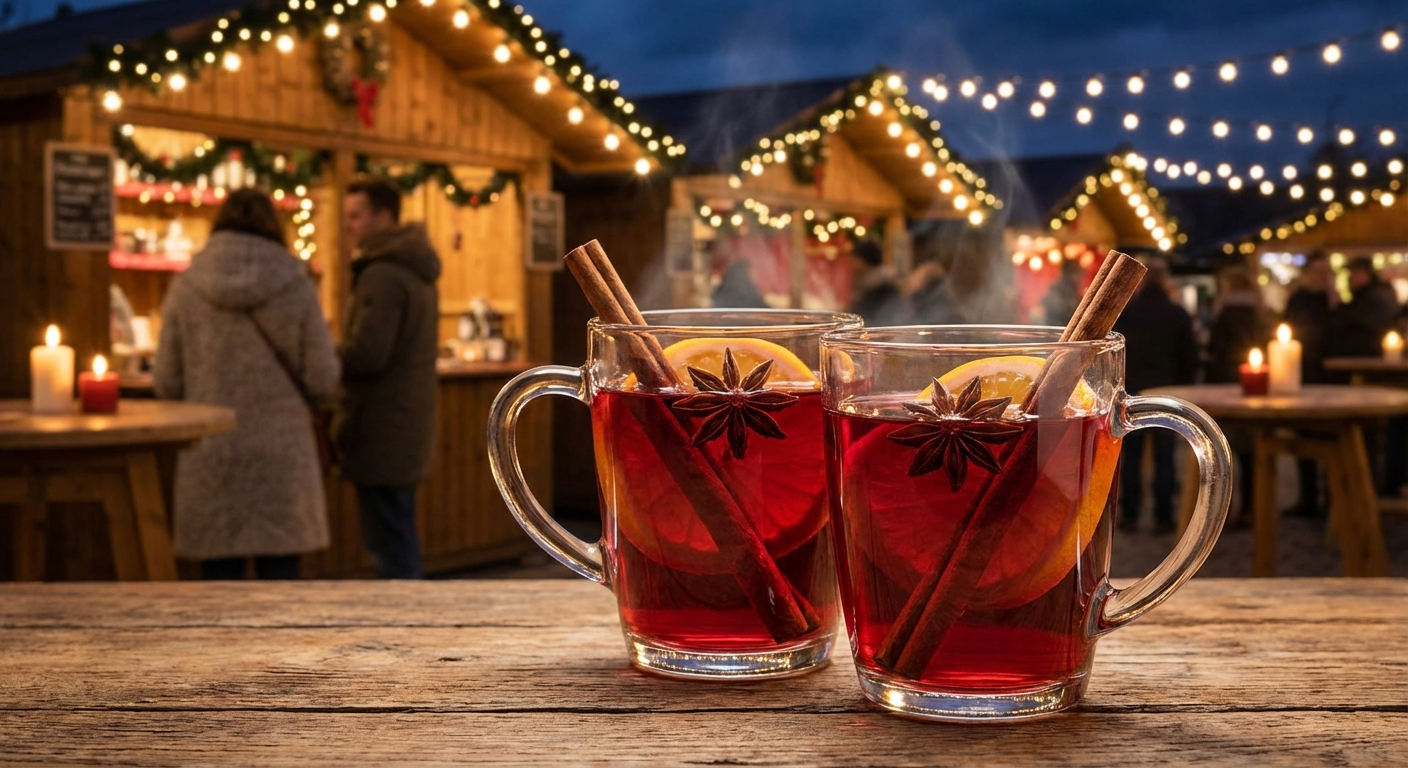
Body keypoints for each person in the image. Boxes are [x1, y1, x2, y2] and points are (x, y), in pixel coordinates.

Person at [154, 189, 340, 580]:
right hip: (282, 455)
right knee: (281, 583)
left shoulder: (186, 286)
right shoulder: (296, 284)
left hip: (211, 451)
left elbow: (166, 381)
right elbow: (323, 378)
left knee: (219, 587)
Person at [337, 179, 442, 579]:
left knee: (390, 544)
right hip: (405, 423)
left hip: (381, 426)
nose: (348, 225)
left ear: (383, 217)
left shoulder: (382, 275)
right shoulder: (414, 267)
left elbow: (368, 353)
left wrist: (320, 354)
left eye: (355, 216)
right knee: (397, 531)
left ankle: (407, 614)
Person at [1112, 258, 1198, 535]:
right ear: (1165, 280)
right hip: (1166, 393)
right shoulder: (1177, 313)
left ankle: (1129, 515)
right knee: (1165, 457)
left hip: (1131, 393)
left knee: (1131, 457)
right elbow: (1189, 358)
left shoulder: (1128, 313)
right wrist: (1184, 391)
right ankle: (1163, 516)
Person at [1283, 252, 1337, 516]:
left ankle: (1332, 498)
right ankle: (1308, 498)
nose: (1322, 278)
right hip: (1302, 375)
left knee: (1329, 439)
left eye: (1326, 273)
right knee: (1303, 437)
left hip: (1328, 378)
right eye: (1317, 272)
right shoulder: (1299, 300)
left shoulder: (1333, 302)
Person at [1329, 256, 1399, 359]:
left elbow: (1362, 323)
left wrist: (1339, 308)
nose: (1350, 278)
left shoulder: (1374, 298)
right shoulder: (1366, 296)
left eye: (1354, 273)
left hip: (1369, 357)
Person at [847, 239, 907, 326]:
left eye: (855, 258)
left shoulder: (878, 286)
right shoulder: (877, 281)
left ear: (863, 260)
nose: (852, 262)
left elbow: (866, 318)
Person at [1042, 258, 1084, 327]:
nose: (1081, 278)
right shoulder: (1061, 292)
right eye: (1078, 274)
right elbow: (1066, 313)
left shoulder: (1070, 291)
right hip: (1060, 330)